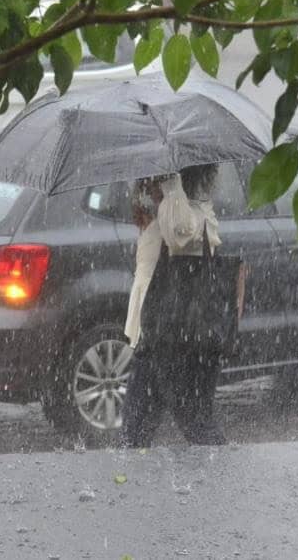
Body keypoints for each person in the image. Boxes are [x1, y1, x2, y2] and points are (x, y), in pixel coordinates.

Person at [121, 164, 226, 447]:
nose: (149, 184)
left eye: (156, 177)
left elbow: (180, 234)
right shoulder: (169, 206)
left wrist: (170, 185)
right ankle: (131, 481)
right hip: (158, 332)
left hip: (181, 335)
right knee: (135, 426)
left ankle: (223, 481)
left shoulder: (190, 208)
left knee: (196, 422)